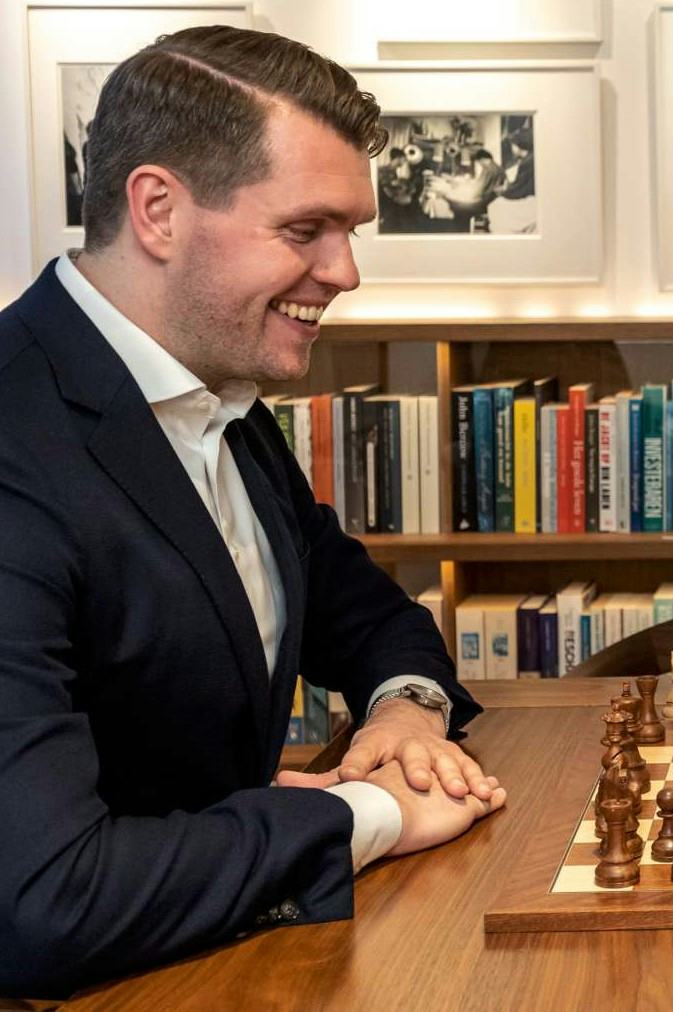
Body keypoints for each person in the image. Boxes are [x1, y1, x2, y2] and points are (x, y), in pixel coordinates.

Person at [0, 27, 505, 998]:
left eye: (351, 231)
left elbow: (365, 615)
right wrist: (370, 813)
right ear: (158, 210)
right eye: (305, 229)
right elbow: (45, 901)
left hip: (227, 962)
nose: (347, 273)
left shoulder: (223, 406)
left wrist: (406, 711)